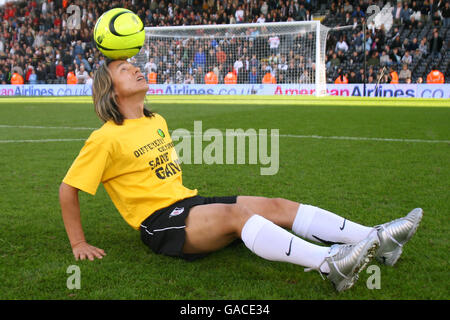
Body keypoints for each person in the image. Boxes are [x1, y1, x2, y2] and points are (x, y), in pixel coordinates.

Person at [59, 59, 423, 292]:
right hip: (159, 224)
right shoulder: (104, 137)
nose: (136, 68)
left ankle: (379, 238)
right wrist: (78, 244)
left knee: (274, 204)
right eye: (124, 69)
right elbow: (68, 189)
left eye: (135, 64)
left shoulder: (157, 120)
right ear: (110, 89)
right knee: (238, 216)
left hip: (188, 203)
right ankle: (330, 265)